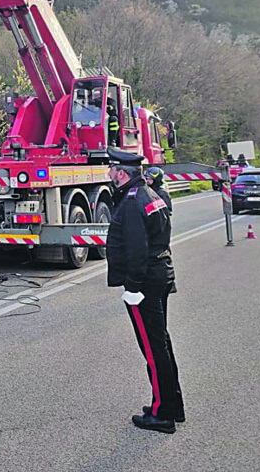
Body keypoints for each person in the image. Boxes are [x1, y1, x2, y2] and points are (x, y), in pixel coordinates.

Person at [105, 148, 185, 433]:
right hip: (160, 274)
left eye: (112, 168)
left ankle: (162, 415)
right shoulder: (151, 195)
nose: (109, 173)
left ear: (122, 173)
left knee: (153, 350)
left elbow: (137, 249)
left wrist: (133, 287)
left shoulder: (131, 203)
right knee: (161, 344)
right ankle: (170, 405)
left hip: (146, 283)